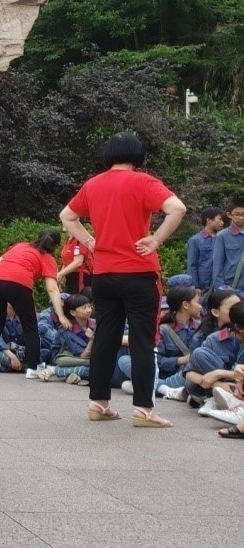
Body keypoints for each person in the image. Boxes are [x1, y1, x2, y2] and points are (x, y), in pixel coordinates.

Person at [60, 131, 186, 427]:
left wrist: (89, 241)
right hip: (139, 273)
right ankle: (144, 409)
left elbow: (67, 215)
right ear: (138, 155)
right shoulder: (143, 182)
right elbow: (177, 208)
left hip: (104, 274)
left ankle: (98, 403)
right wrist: (155, 239)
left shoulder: (93, 184)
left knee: (105, 336)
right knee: (144, 339)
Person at [0, 229, 72, 372]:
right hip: (18, 284)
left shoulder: (20, 246)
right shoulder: (47, 258)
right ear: (55, 245)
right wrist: (61, 315)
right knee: (30, 327)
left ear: (37, 238)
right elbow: (52, 288)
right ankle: (33, 368)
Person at [186, 206, 224, 292]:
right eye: (219, 219)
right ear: (209, 220)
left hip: (220, 285)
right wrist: (195, 286)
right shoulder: (195, 240)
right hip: (204, 286)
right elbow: (192, 265)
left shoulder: (222, 239)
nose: (222, 222)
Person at [211, 198, 244, 290]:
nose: (241, 217)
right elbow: (217, 265)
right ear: (229, 215)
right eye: (237, 214)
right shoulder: (222, 236)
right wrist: (221, 290)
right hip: (232, 287)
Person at [57, 227, 94, 296]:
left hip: (80, 276)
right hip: (70, 276)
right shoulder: (69, 240)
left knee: (78, 299)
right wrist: (60, 276)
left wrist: (60, 274)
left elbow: (78, 262)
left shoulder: (79, 239)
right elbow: (66, 261)